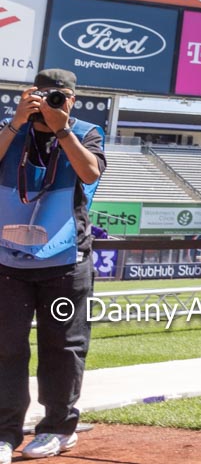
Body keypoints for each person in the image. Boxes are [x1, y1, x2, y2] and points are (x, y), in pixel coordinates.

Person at [0, 70, 104, 462]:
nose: (50, 103)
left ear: (73, 100)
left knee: (63, 348)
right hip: (7, 262)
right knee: (5, 349)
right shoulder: (11, 129)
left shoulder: (87, 132)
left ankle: (59, 428)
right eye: (43, 95)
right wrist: (16, 123)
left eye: (58, 97)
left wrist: (62, 131)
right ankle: (5, 432)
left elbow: (91, 171)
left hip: (65, 263)